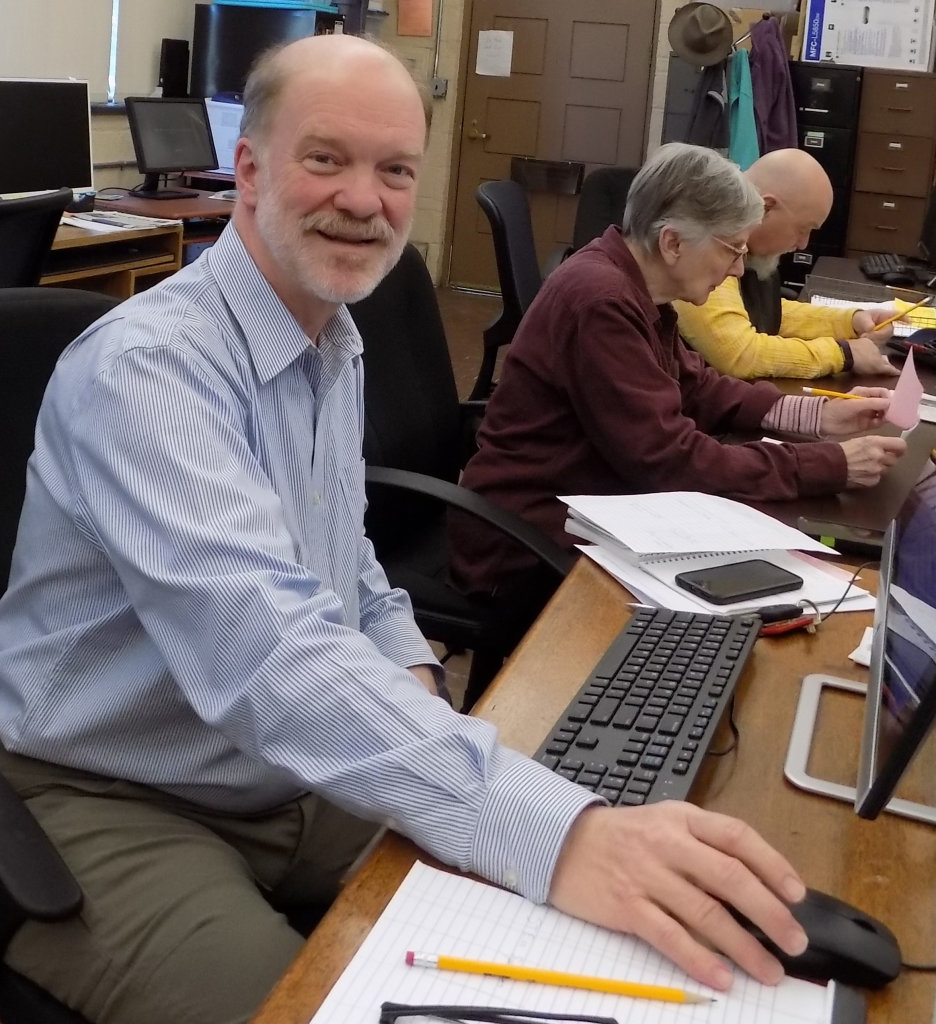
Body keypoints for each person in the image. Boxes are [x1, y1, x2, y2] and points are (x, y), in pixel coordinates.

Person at [1, 41, 817, 1024]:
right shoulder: (150, 370)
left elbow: (356, 576)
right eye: (326, 158)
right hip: (110, 794)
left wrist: (429, 699)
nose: (364, 198)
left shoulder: (328, 337)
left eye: (395, 171)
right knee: (324, 1002)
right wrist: (554, 832)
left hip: (290, 767)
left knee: (569, 934)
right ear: (250, 170)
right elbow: (272, 650)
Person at [449, 143, 906, 599]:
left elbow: (699, 387)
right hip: (526, 538)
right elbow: (672, 462)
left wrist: (819, 416)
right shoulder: (602, 302)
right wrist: (829, 464)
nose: (738, 269)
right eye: (732, 251)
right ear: (672, 242)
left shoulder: (638, 285)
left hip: (587, 507)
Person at [674, 148, 900, 379]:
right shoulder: (710, 241)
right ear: (766, 207)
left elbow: (767, 313)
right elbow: (740, 353)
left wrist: (849, 321)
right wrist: (844, 354)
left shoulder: (746, 247)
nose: (803, 244)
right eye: (803, 229)